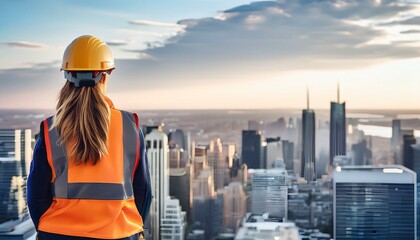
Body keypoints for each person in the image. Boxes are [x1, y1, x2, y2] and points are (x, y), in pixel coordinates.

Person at [27, 35, 151, 240]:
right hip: (119, 234)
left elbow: (36, 195)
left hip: (58, 234)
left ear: (67, 75)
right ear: (105, 75)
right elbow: (143, 191)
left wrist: (51, 230)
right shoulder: (130, 127)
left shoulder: (51, 129)